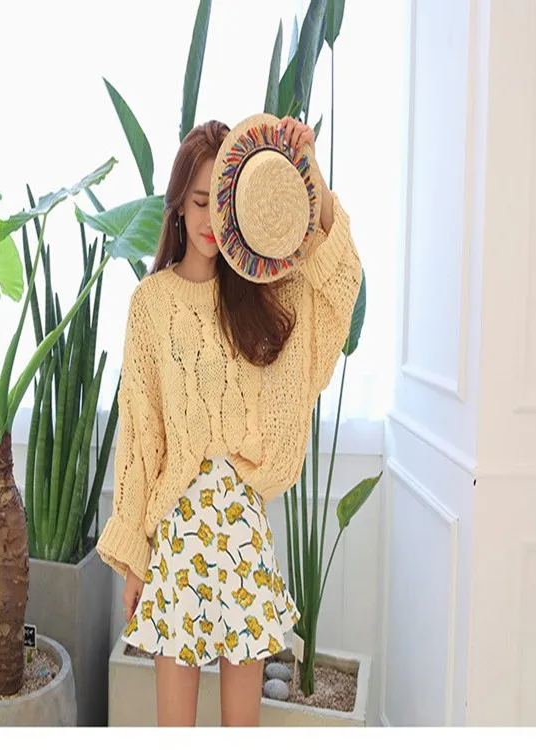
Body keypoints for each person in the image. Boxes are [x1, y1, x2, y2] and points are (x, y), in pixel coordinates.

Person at [96, 113, 363, 727]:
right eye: (198, 201)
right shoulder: (151, 303)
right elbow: (141, 433)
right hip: (176, 534)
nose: (210, 219)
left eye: (221, 203)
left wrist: (309, 174)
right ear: (177, 206)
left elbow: (341, 282)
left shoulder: (268, 295)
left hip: (243, 529)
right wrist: (134, 559)